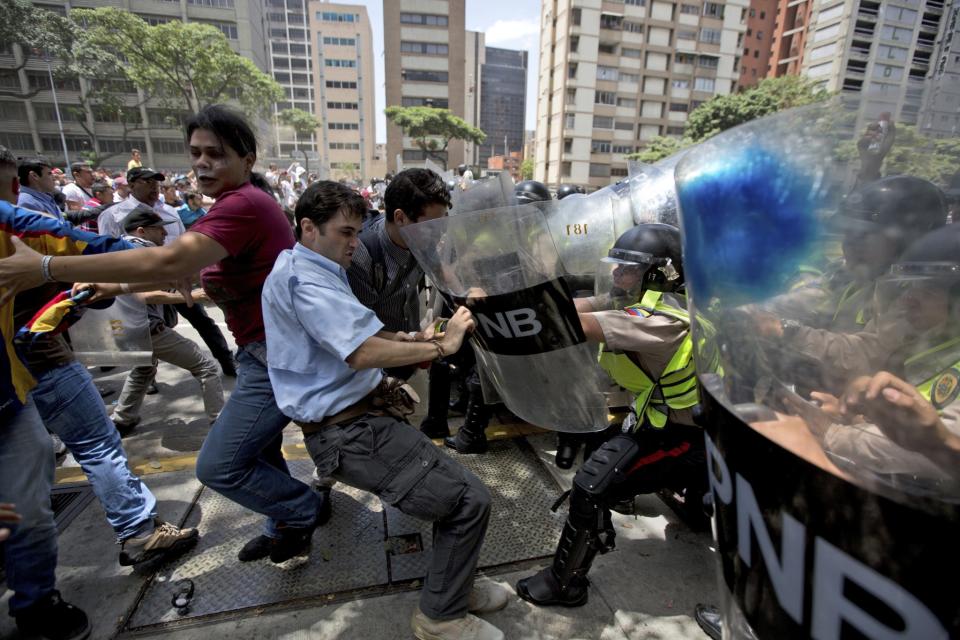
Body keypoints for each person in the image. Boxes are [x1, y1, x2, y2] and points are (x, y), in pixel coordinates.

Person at [0, 105, 327, 565]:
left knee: (218, 466)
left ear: (247, 159)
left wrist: (46, 267)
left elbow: (170, 262)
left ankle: (304, 509)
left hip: (277, 357)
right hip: (262, 354)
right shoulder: (231, 208)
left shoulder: (245, 206)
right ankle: (284, 527)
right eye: (195, 153)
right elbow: (187, 278)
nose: (202, 163)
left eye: (216, 154)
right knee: (260, 449)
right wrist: (113, 285)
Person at [262, 180, 508, 640]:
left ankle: (455, 587)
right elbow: (359, 352)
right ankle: (441, 616)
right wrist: (441, 345)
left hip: (362, 418)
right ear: (309, 227)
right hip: (351, 431)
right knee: (466, 501)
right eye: (345, 233)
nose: (354, 243)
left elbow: (364, 335)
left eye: (357, 233)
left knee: (452, 496)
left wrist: (411, 338)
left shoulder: (316, 266)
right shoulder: (307, 279)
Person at [0, 145, 191, 640]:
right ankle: (140, 531)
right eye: (7, 189)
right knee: (94, 444)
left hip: (18, 374)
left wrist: (149, 262)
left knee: (29, 496)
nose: (11, 202)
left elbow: (82, 247)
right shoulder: (23, 223)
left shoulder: (23, 224)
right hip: (37, 354)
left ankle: (37, 602)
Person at [516, 223, 710, 608]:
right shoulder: (664, 303)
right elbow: (586, 305)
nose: (618, 275)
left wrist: (508, 312)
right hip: (670, 422)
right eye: (617, 266)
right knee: (606, 456)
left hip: (685, 437)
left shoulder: (657, 321)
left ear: (659, 274)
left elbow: (569, 323)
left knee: (591, 485)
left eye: (629, 269)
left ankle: (565, 584)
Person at [100, 167, 236, 377]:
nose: (154, 187)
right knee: (148, 333)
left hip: (176, 280)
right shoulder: (114, 214)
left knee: (202, 321)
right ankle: (147, 377)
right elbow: (106, 253)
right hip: (138, 287)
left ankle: (227, 361)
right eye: (148, 182)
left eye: (156, 182)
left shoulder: (169, 211)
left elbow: (183, 241)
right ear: (132, 184)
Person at [110, 207, 224, 431]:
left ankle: (122, 419)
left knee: (144, 368)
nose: (164, 234)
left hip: (124, 328)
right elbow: (144, 296)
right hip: (144, 328)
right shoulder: (141, 253)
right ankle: (219, 422)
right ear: (141, 231)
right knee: (206, 367)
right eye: (159, 229)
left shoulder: (120, 250)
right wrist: (189, 296)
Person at [346, 168, 450, 377]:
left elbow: (444, 274)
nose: (440, 234)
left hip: (410, 352)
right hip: (374, 367)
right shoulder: (361, 256)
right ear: (400, 217)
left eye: (443, 223)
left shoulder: (423, 241)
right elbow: (360, 334)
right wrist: (415, 340)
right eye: (432, 226)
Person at [16, 157, 62, 221]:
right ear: (34, 176)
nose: (54, 178)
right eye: (49, 173)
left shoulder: (45, 196)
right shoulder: (27, 203)